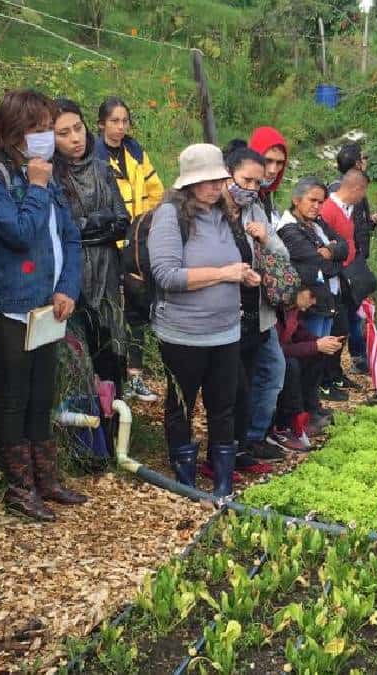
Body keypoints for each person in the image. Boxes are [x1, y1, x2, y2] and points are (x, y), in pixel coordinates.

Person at [0, 89, 87, 521]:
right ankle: (19, 487)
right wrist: (35, 186)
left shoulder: (47, 174)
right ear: (13, 130)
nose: (45, 138)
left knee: (42, 393)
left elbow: (69, 236)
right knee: (14, 394)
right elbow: (18, 233)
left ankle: (46, 478)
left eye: (47, 129)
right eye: (37, 129)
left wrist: (67, 287)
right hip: (7, 303)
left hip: (48, 304)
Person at [148, 144, 255, 498]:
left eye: (218, 179)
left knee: (223, 406)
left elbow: (232, 264)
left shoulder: (224, 216)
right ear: (188, 184)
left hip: (225, 331)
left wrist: (242, 276)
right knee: (182, 405)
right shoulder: (169, 216)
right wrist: (224, 274)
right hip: (183, 333)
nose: (214, 187)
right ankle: (185, 480)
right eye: (206, 181)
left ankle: (222, 482)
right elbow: (166, 275)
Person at [216, 145, 291, 470]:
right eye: (245, 180)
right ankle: (226, 450)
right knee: (235, 386)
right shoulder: (211, 210)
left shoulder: (255, 210)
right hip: (224, 313)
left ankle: (248, 441)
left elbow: (282, 253)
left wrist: (266, 240)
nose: (250, 189)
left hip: (257, 312)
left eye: (256, 184)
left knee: (266, 373)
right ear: (227, 173)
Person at [54, 98, 130, 389]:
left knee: (110, 353)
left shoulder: (102, 169)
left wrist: (85, 225)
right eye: (64, 133)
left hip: (108, 272)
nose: (75, 138)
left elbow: (122, 221)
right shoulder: (52, 175)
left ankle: (113, 425)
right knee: (76, 357)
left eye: (78, 128)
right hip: (72, 275)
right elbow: (63, 230)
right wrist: (100, 220)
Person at [96, 96, 163, 403]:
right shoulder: (94, 156)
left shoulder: (135, 151)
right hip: (109, 242)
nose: (120, 127)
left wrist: (144, 224)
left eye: (125, 121)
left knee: (137, 307)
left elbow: (155, 191)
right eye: (114, 121)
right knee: (111, 309)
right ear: (101, 124)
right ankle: (109, 378)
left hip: (137, 241)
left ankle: (135, 375)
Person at [277, 177, 347, 418]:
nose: (317, 206)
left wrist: (332, 252)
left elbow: (346, 246)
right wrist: (331, 256)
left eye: (321, 201)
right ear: (296, 200)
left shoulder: (317, 224)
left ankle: (313, 404)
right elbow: (312, 262)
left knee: (320, 355)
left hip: (325, 297)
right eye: (312, 200)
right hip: (308, 303)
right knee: (308, 356)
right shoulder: (288, 229)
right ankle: (305, 410)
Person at [329, 143, 377, 375]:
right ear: (356, 163)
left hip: (356, 259)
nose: (366, 161)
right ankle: (354, 360)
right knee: (351, 312)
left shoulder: (356, 189)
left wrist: (370, 222)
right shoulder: (341, 191)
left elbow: (357, 224)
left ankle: (357, 358)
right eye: (364, 157)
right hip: (345, 264)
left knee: (356, 310)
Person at [318, 170, 368, 395]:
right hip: (333, 278)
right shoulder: (329, 209)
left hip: (345, 278)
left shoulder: (347, 210)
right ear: (357, 188)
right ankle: (326, 379)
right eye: (364, 191)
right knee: (336, 328)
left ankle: (335, 374)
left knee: (344, 327)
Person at [274, 287, 342, 447]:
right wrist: (315, 345)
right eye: (311, 296)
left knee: (318, 355)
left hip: (286, 358)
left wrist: (323, 342)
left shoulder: (293, 311)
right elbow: (278, 350)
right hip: (273, 362)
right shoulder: (276, 310)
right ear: (298, 290)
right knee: (292, 365)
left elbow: (299, 333)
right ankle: (290, 423)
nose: (313, 302)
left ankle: (311, 410)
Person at [248, 126, 289, 227]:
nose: (273, 170)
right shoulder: (241, 195)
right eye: (267, 161)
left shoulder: (265, 193)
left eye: (279, 163)